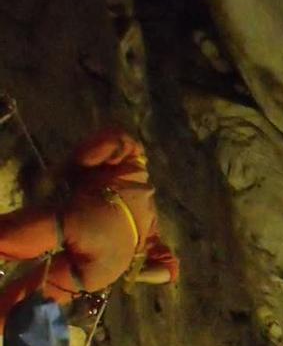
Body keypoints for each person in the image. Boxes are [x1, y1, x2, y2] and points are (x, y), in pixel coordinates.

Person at [0, 126, 179, 330]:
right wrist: (135, 275)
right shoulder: (150, 217)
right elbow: (170, 270)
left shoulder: (133, 156)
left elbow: (101, 148)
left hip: (93, 221)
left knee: (9, 238)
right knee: (18, 310)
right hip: (105, 268)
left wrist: (59, 172)